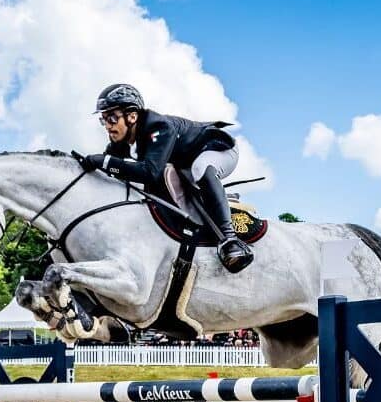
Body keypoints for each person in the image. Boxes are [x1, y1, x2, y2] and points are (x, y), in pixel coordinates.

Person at [78, 83, 253, 272]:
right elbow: (112, 168)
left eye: (112, 118)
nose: (108, 126)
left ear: (132, 116)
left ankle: (230, 239)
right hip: (186, 163)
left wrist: (102, 162)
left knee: (200, 168)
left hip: (217, 149)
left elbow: (149, 173)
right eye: (104, 120)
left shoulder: (159, 127)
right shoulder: (121, 142)